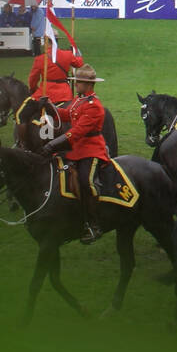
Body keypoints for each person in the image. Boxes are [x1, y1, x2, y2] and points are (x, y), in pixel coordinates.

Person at [39, 65, 109, 244]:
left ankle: (95, 225)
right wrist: (49, 107)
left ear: (87, 84)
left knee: (87, 182)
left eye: (78, 82)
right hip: (76, 150)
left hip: (92, 149)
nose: (75, 85)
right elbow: (65, 115)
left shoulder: (94, 106)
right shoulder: (79, 101)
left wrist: (52, 144)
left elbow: (76, 132)